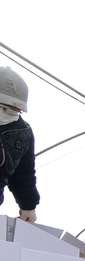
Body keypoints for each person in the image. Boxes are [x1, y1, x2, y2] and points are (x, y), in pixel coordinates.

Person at [0, 67, 39, 223]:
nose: (5, 115)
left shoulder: (22, 133)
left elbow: (24, 174)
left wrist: (28, 206)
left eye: (13, 111)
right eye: (3, 108)